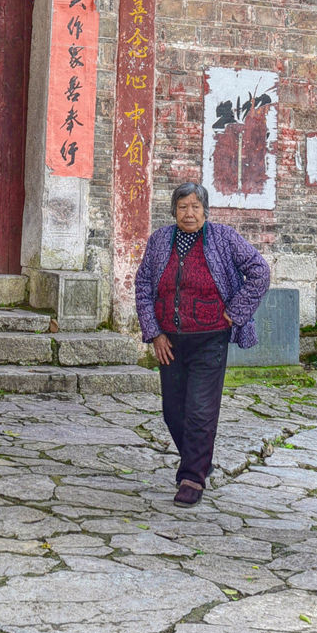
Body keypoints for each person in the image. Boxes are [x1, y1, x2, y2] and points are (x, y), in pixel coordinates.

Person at [134, 180, 270, 506]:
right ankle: (199, 461)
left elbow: (260, 271)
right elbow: (142, 285)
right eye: (183, 207)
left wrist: (234, 313)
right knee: (172, 412)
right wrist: (154, 332)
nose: (189, 213)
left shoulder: (223, 238)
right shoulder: (160, 241)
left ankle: (192, 479)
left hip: (210, 337)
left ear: (205, 210)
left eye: (196, 207)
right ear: (174, 211)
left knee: (200, 411)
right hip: (170, 341)